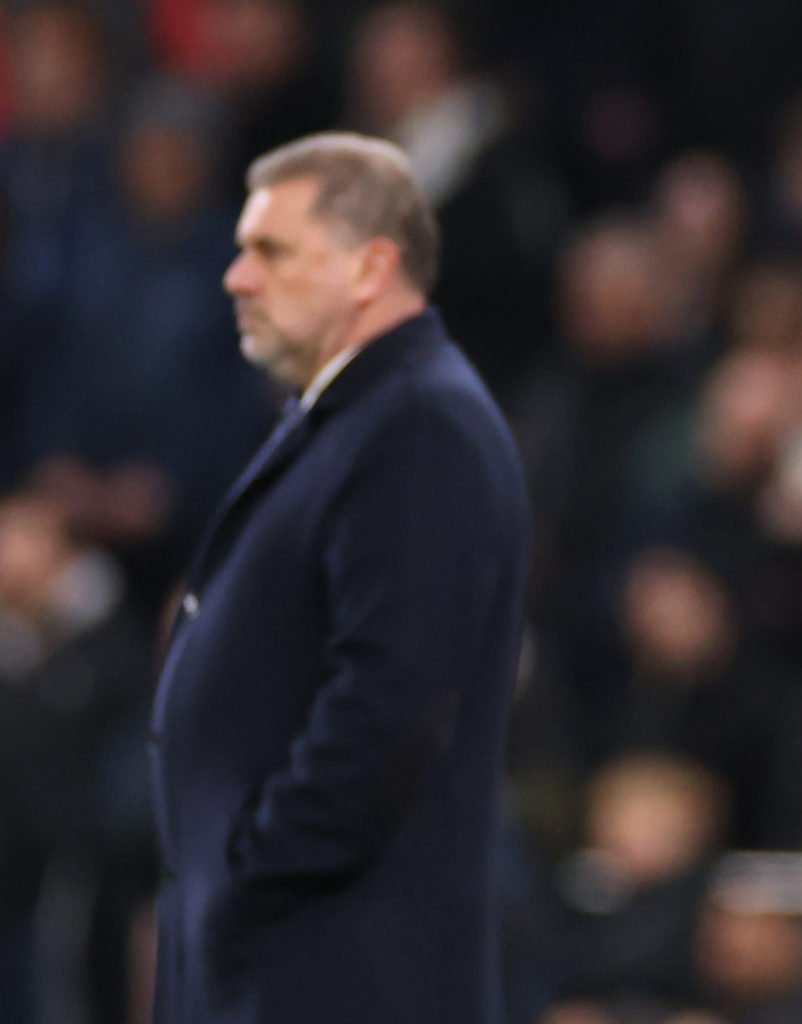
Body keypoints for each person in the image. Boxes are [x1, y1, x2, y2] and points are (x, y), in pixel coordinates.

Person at [147, 133, 530, 1024]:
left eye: (269, 250)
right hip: (289, 962)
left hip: (339, 972)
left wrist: (250, 875)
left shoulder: (421, 427)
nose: (237, 276)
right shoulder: (351, 417)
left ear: (371, 266)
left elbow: (390, 704)